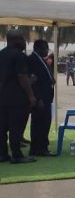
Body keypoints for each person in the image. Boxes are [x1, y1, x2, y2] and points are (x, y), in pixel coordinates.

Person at [0, 30, 37, 163]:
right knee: (16, 127)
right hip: (16, 98)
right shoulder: (19, 56)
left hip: (2, 97)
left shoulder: (1, 54)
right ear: (15, 40)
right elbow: (22, 77)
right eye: (22, 39)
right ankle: (17, 155)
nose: (24, 42)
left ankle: (2, 154)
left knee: (2, 128)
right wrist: (31, 95)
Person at [28, 39, 55, 156]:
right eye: (45, 48)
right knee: (40, 123)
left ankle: (40, 147)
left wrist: (50, 79)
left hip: (46, 97)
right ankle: (39, 148)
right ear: (38, 48)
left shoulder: (41, 59)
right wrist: (38, 99)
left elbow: (42, 76)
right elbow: (34, 83)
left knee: (44, 122)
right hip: (41, 99)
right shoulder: (33, 60)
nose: (47, 50)